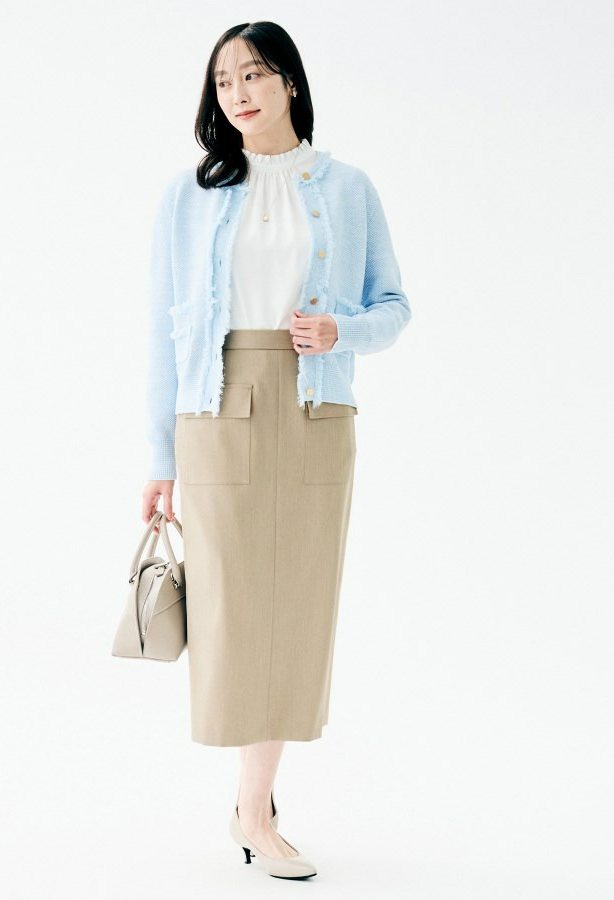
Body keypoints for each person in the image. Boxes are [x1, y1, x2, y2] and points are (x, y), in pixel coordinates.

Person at [141, 21, 412, 879]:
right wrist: (159, 457)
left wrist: (340, 330)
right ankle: (252, 805)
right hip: (215, 407)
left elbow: (394, 308)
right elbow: (162, 333)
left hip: (314, 408)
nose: (239, 93)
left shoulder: (350, 187)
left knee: (294, 605)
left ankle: (254, 807)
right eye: (224, 81)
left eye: (254, 74)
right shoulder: (188, 195)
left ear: (290, 81)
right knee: (229, 609)